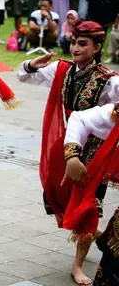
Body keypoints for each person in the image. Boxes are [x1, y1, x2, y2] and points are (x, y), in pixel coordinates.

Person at [17, 19, 119, 285]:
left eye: (82, 44)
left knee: (88, 204)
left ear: (97, 47)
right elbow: (23, 76)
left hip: (95, 150)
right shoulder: (63, 70)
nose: (75, 48)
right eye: (73, 42)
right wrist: (32, 64)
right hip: (67, 143)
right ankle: (96, 233)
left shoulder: (109, 80)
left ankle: (77, 264)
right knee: (56, 195)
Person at [61, 103, 119, 285]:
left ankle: (99, 242)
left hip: (106, 160)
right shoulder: (113, 111)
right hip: (92, 158)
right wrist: (72, 156)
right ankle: (97, 244)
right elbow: (79, 118)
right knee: (85, 210)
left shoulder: (111, 81)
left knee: (89, 210)